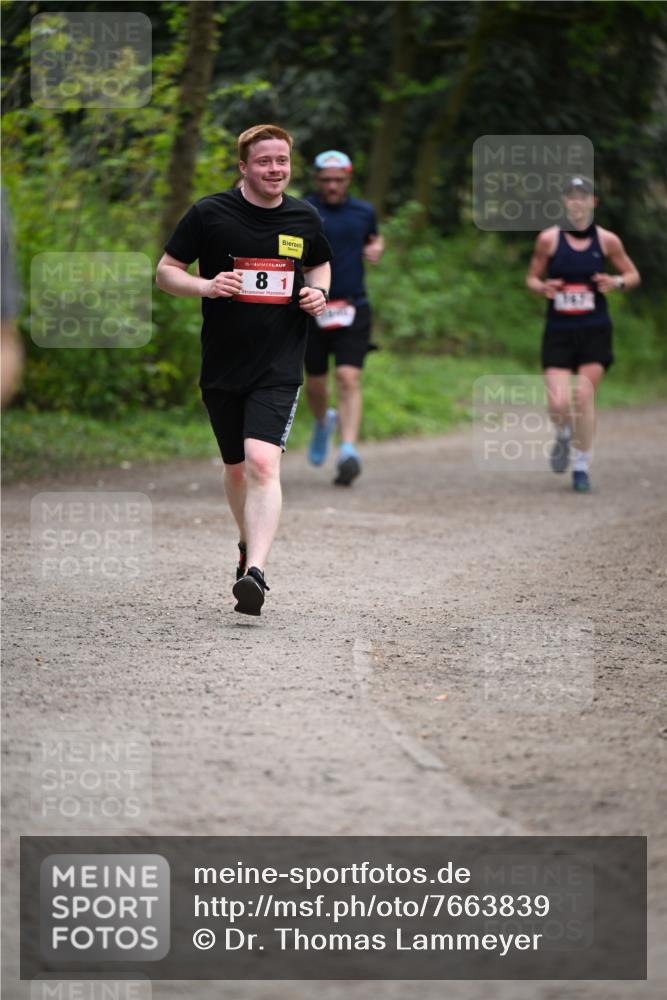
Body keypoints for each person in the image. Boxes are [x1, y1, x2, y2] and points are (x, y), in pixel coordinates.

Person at [156, 124, 332, 615]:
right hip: (223, 362)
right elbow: (166, 272)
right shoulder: (209, 213)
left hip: (279, 363)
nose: (275, 170)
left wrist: (318, 292)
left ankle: (255, 572)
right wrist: (206, 286)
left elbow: (319, 265)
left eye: (282, 161)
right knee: (235, 468)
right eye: (264, 161)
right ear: (243, 167)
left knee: (262, 462)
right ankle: (244, 542)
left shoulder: (304, 216)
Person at [526, 176, 640, 492]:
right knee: (558, 402)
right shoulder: (548, 240)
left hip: (594, 329)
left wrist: (616, 282)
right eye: (572, 196)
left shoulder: (607, 241)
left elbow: (632, 274)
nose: (577, 202)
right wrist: (543, 287)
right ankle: (564, 434)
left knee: (584, 396)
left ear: (593, 202)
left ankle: (581, 465)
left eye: (583, 196)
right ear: (564, 202)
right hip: (559, 331)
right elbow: (532, 278)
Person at [303, 150, 384, 485]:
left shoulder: (364, 211)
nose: (332, 186)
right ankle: (324, 422)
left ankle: (348, 449)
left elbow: (374, 238)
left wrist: (376, 248)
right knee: (316, 383)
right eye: (326, 180)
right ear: (317, 179)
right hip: (311, 306)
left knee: (348, 377)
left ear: (348, 179)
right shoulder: (302, 210)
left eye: (338, 180)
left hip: (353, 306)